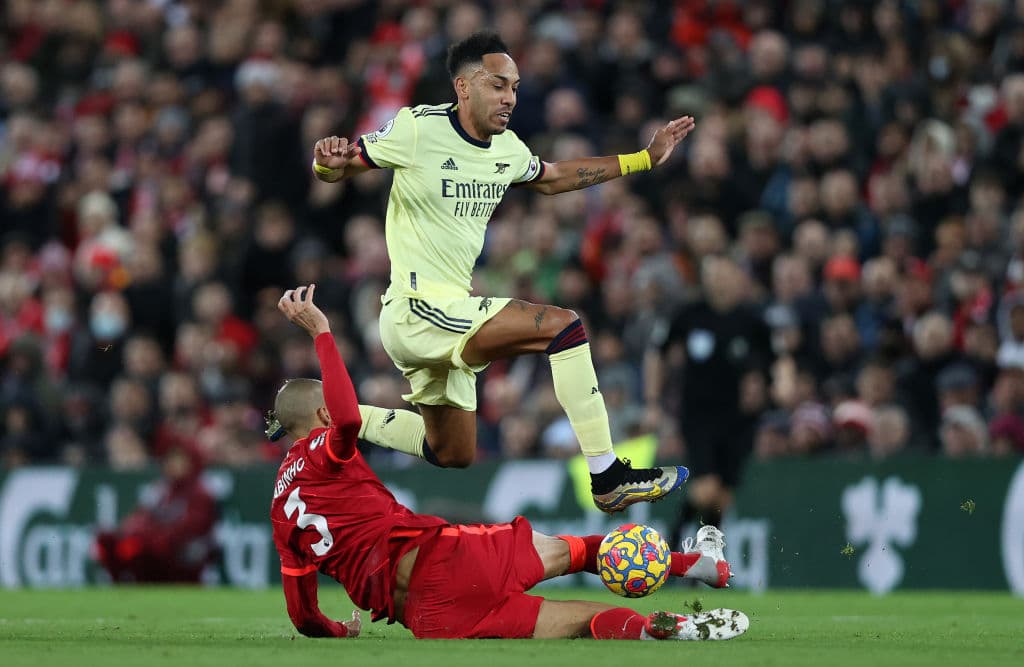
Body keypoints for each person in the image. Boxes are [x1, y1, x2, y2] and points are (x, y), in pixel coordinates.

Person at [309, 31, 696, 512]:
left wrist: (643, 158)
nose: (510, 97)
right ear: (464, 87)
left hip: (443, 315)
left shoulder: (507, 149)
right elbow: (342, 166)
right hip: (417, 310)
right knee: (564, 326)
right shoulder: (416, 128)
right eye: (498, 85)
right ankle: (607, 475)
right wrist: (326, 166)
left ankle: (336, 414)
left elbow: (552, 177)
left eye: (514, 87)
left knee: (451, 451)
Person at [269, 285, 748, 641]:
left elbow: (303, 617)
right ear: (321, 416)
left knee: (584, 623)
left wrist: (338, 632)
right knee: (578, 551)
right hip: (449, 561)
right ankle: (702, 566)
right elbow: (350, 420)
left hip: (430, 619)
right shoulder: (323, 451)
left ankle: (662, 627)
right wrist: (324, 334)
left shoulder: (279, 511)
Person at [94, 442, 218, 583]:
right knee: (109, 541)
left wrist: (156, 536)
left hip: (179, 548)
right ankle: (119, 582)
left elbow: (194, 526)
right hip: (153, 542)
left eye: (179, 461)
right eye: (170, 461)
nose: (173, 465)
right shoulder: (160, 490)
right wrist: (130, 531)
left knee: (137, 547)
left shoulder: (199, 493)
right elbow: (141, 516)